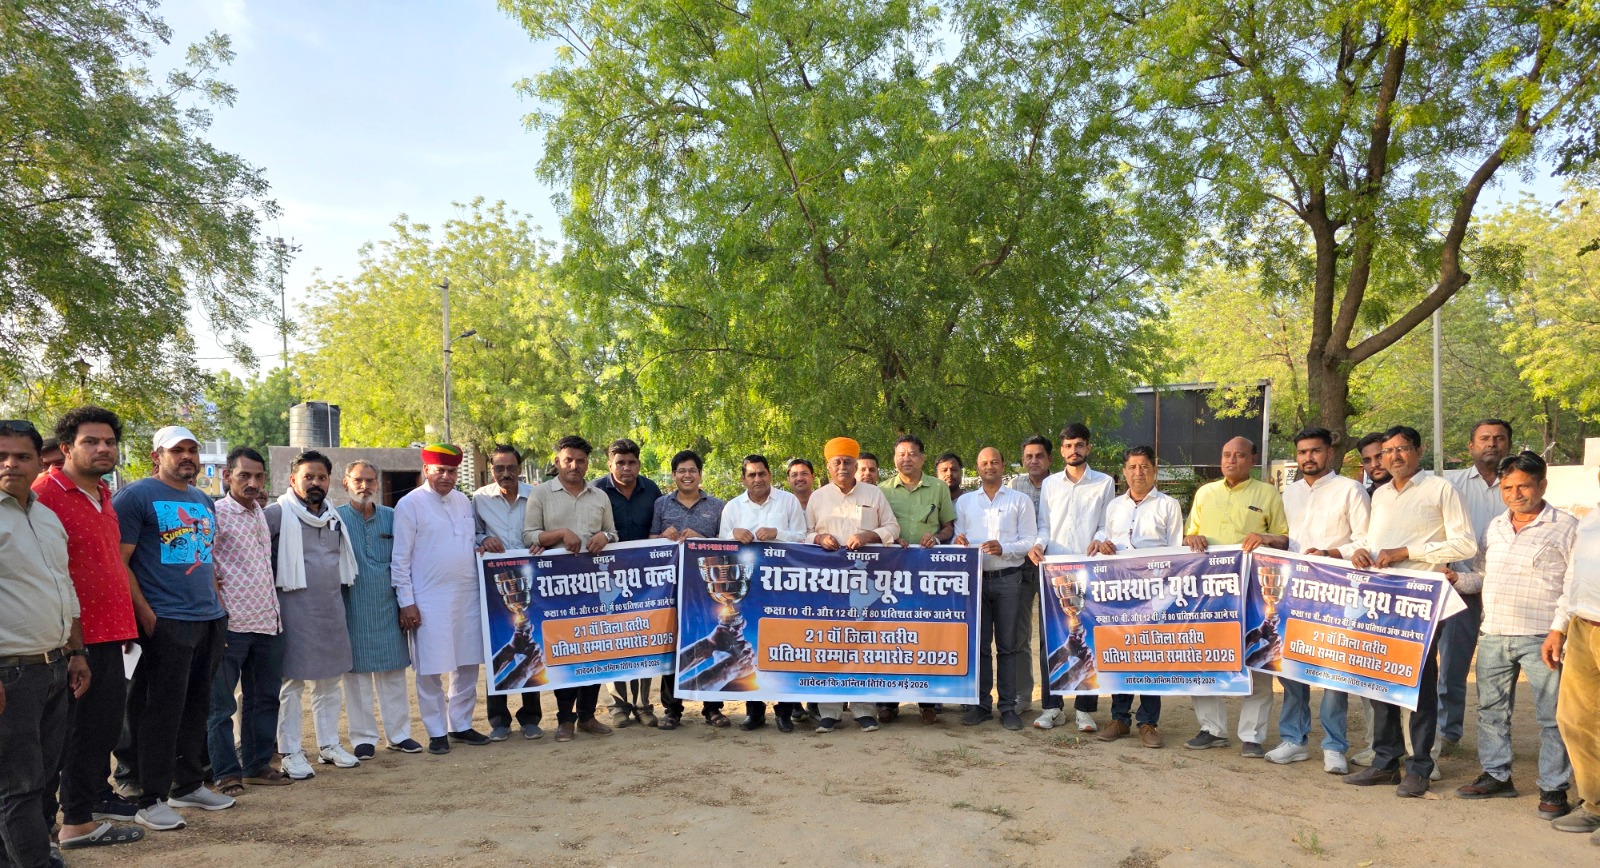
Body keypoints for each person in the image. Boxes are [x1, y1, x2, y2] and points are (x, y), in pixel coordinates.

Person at [1342, 425, 1477, 797]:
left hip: (1421, 601)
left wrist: (1407, 552)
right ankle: (1386, 762)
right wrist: (1360, 551)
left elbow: (1465, 544)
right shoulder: (1380, 495)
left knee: (1418, 684)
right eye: (1388, 450)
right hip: (1381, 599)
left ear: (1418, 450)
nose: (1394, 456)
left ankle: (1419, 767)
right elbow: (1372, 541)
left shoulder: (1441, 489)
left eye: (1401, 448)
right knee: (1380, 678)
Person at [32, 408, 144, 849]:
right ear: (66, 448)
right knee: (60, 742)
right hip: (70, 641)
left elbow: (106, 563)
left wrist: (127, 624)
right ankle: (38, 832)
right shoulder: (44, 495)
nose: (103, 449)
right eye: (91, 441)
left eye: (109, 442)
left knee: (97, 735)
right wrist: (72, 644)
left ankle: (77, 821)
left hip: (111, 634)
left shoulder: (103, 495)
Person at [113, 425, 234, 829]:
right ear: (157, 456)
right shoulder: (136, 496)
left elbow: (204, 558)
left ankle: (188, 784)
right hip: (165, 620)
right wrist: (146, 615)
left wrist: (218, 607)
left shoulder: (202, 499)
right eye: (177, 450)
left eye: (192, 450)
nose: (187, 457)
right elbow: (120, 561)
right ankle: (150, 797)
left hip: (207, 619)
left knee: (196, 706)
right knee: (159, 711)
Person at [1450, 452, 1576, 819]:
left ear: (1542, 485)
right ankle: (1496, 775)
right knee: (1491, 711)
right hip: (1494, 633)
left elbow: (1572, 586)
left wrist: (1558, 630)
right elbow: (1481, 576)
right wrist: (1455, 579)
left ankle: (1554, 788)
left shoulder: (1566, 527)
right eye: (1507, 487)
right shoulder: (1495, 527)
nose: (1515, 494)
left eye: (1523, 486)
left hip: (1542, 637)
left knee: (1552, 715)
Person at [0, 418, 95, 863]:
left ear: (40, 461)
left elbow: (64, 588)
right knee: (17, 786)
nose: (10, 464)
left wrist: (76, 652)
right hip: (11, 673)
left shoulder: (45, 516)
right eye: (1, 456)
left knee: (39, 780)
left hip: (55, 666)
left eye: (21, 456)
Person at [1256, 427, 1370, 773]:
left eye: (1315, 451)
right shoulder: (1289, 493)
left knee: (1333, 670)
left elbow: (1366, 541)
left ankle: (1334, 746)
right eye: (1302, 452)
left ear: (1329, 453)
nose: (1308, 457)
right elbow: (1289, 539)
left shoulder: (1350, 490)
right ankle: (1294, 739)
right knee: (1290, 666)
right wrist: (1269, 541)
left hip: (1335, 591)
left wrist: (1329, 553)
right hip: (1292, 592)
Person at [1180, 436, 1288, 759]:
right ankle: (1211, 729)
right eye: (1226, 454)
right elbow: (1188, 535)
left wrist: (1265, 537)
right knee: (1204, 655)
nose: (1231, 460)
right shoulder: (1205, 493)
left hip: (1253, 592)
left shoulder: (1267, 493)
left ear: (1252, 459)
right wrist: (1191, 538)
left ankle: (1252, 736)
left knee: (1257, 657)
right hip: (1208, 592)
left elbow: (1284, 539)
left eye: (1239, 455)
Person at [392, 443, 490, 755]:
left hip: (466, 596)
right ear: (426, 470)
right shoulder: (409, 505)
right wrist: (406, 601)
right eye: (440, 470)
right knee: (430, 669)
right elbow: (400, 559)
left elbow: (469, 541)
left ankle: (460, 725)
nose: (446, 476)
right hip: (428, 600)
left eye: (451, 471)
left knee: (467, 664)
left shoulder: (462, 501)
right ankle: (436, 732)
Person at [268, 451, 360, 778]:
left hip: (330, 609)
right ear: (293, 479)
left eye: (321, 477)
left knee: (329, 682)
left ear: (329, 481)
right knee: (291, 684)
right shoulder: (276, 514)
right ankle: (290, 751)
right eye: (308, 477)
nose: (315, 483)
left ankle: (329, 745)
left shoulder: (334, 517)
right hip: (292, 612)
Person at [206, 447, 291, 797]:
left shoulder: (260, 513)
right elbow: (205, 564)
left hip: (267, 622)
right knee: (221, 706)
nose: (252, 483)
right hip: (231, 624)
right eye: (244, 475)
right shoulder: (216, 514)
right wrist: (217, 616)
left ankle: (256, 765)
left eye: (258, 476)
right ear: (227, 476)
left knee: (264, 698)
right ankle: (226, 773)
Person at [523, 435, 619, 742]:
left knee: (593, 647)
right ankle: (565, 718)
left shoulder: (600, 496)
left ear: (588, 463)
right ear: (557, 462)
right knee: (564, 648)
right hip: (557, 588)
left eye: (580, 460)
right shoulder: (540, 494)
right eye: (568, 460)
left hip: (594, 585)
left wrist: (606, 537)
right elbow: (529, 536)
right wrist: (561, 534)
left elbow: (613, 532)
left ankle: (588, 716)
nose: (574, 466)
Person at [1087, 445, 1181, 748]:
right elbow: (1108, 539)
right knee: (1120, 651)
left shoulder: (1168, 505)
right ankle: (1119, 719)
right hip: (1120, 592)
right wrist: (1104, 544)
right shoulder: (1115, 506)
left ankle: (1148, 722)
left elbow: (1176, 553)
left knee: (1150, 654)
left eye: (1144, 466)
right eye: (1132, 467)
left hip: (1154, 594)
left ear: (1154, 470)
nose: (1138, 472)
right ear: (1124, 472)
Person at [806, 436, 900, 733]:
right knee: (830, 643)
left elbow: (892, 528)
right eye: (837, 462)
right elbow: (803, 533)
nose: (843, 467)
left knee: (864, 644)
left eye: (848, 461)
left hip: (865, 584)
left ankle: (864, 710)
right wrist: (819, 538)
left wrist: (868, 536)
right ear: (828, 466)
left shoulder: (874, 493)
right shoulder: (818, 497)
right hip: (829, 585)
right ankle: (829, 712)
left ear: (856, 465)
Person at [1027, 424, 1116, 733]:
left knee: (1086, 638)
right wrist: (1038, 545)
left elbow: (1106, 525)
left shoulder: (1104, 482)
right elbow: (1044, 525)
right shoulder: (1050, 484)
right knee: (1050, 637)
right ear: (1062, 450)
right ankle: (1052, 707)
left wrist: (1099, 539)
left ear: (1088, 448)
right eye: (1068, 445)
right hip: (1054, 570)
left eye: (1079, 444)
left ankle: (1085, 710)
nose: (1073, 450)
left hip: (1090, 570)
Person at [718, 454, 808, 731]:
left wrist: (778, 532)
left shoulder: (788, 501)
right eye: (752, 475)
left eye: (762, 473)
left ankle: (784, 711)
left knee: (783, 643)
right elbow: (720, 543)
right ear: (743, 479)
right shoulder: (733, 507)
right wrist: (734, 535)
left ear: (770, 475)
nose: (757, 479)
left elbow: (802, 536)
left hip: (783, 585)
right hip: (747, 587)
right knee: (750, 643)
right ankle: (754, 712)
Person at [1438, 419, 1511, 757]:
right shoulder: (1450, 486)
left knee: (1499, 668)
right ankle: (1447, 731)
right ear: (1471, 446)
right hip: (1460, 587)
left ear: (1508, 444)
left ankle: (1497, 737)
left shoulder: (1517, 486)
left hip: (1506, 591)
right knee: (1453, 665)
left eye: (1499, 438)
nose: (1491, 444)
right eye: (1484, 438)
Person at [337, 461, 420, 757]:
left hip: (387, 606)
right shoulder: (335, 519)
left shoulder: (392, 517)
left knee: (393, 673)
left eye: (370, 481)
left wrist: (405, 603)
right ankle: (363, 738)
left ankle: (399, 735)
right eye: (358, 480)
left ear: (377, 483)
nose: (364, 486)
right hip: (352, 607)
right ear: (346, 483)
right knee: (356, 676)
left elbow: (405, 561)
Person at [954, 446, 1037, 731]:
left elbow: (1029, 541)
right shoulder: (965, 502)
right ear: (977, 468)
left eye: (994, 462)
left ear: (1003, 465)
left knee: (1008, 646)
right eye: (983, 463)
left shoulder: (1019, 500)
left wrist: (1005, 548)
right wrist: (958, 542)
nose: (989, 467)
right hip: (976, 580)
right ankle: (981, 705)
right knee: (979, 647)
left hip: (1009, 579)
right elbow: (957, 536)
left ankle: (1008, 707)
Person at [879, 435, 955, 725]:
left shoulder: (938, 488)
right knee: (890, 635)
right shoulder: (882, 490)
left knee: (924, 634)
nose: (906, 458)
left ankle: (927, 701)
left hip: (927, 574)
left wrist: (936, 538)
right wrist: (890, 537)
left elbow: (948, 527)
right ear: (894, 458)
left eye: (912, 453)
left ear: (923, 458)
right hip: (891, 574)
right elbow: (877, 528)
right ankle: (888, 703)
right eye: (901, 454)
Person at [651, 449, 727, 729]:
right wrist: (662, 536)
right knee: (673, 644)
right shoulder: (661, 504)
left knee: (708, 638)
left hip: (707, 588)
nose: (687, 475)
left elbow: (725, 543)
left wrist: (702, 539)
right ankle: (672, 710)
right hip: (670, 588)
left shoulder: (717, 506)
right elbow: (649, 540)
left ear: (700, 474)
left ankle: (713, 708)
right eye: (681, 471)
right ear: (674, 475)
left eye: (692, 470)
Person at [1545, 464, 1600, 842]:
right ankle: (1595, 805)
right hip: (1583, 627)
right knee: (1576, 720)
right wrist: (1559, 626)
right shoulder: (1591, 520)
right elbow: (1573, 578)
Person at [472, 445, 543, 741]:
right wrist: (484, 539)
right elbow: (473, 532)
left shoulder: (536, 496)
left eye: (510, 468)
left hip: (530, 580)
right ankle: (498, 719)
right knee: (497, 643)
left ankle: (531, 718)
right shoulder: (479, 499)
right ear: (491, 470)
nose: (505, 474)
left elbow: (544, 529)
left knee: (531, 643)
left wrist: (542, 541)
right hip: (495, 585)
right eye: (499, 468)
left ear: (519, 469)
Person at [593, 438, 662, 728]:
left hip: (645, 579)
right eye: (620, 463)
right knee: (614, 639)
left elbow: (658, 529)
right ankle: (617, 706)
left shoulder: (652, 490)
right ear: (610, 464)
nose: (626, 468)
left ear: (639, 464)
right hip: (607, 578)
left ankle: (643, 704)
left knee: (643, 637)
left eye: (631, 462)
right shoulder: (596, 490)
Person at [1010, 435, 1052, 715]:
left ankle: (1054, 698)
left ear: (1049, 459)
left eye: (1039, 456)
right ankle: (1023, 695)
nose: (1034, 460)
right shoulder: (1015, 486)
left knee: (1053, 633)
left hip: (1053, 565)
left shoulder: (1058, 485)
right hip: (1021, 567)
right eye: (1029, 456)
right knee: (1020, 634)